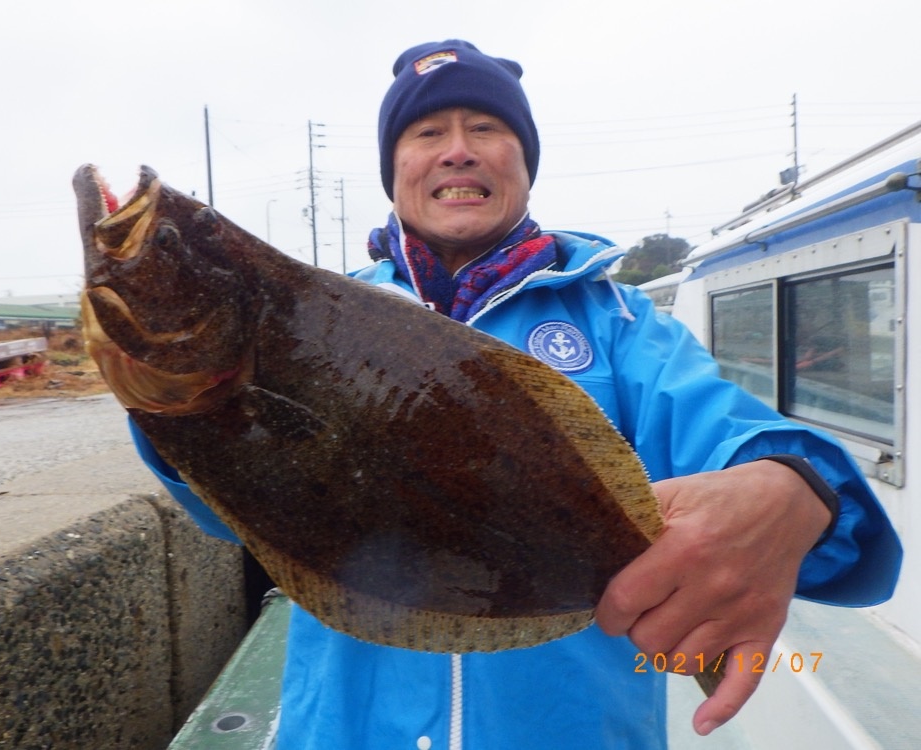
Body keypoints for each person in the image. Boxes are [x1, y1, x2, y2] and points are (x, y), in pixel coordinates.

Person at [131, 40, 901, 749]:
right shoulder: (315, 315)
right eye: (427, 133)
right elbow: (232, 511)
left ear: (524, 159)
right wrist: (173, 406)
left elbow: (729, 434)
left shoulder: (623, 323)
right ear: (394, 166)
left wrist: (794, 489)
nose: (457, 150)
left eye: (486, 127)